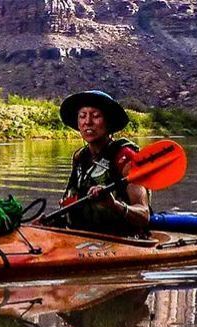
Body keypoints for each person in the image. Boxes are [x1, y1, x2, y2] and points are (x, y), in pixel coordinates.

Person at [58, 91, 151, 235]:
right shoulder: (79, 157)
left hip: (124, 239)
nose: (88, 122)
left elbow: (144, 215)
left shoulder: (127, 158)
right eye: (82, 116)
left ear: (108, 122)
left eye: (96, 116)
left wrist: (113, 205)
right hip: (82, 236)